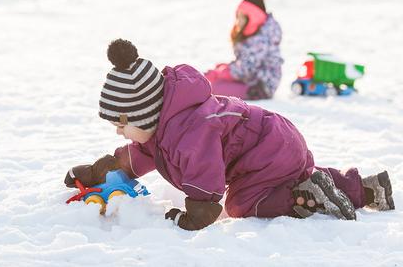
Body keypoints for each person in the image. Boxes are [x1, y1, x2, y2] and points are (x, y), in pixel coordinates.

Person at [64, 39, 395, 230]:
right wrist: (97, 172)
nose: (121, 132)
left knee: (240, 203)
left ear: (147, 111)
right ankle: (365, 190)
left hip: (265, 153)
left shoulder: (187, 131)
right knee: (295, 175)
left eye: (123, 124)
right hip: (275, 141)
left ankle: (297, 199)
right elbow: (134, 159)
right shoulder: (161, 128)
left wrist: (197, 213)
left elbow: (205, 176)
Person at [205, 0, 284, 100]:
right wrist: (225, 68)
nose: (238, 21)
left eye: (242, 17)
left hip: (260, 86)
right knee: (214, 82)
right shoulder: (257, 32)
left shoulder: (261, 38)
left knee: (213, 87)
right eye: (238, 16)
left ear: (253, 18)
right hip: (251, 80)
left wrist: (222, 73)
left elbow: (246, 69)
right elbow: (246, 61)